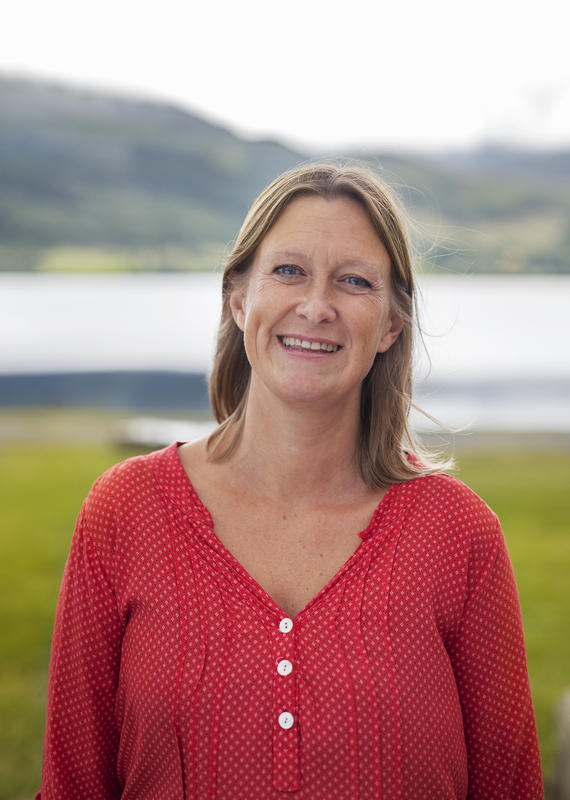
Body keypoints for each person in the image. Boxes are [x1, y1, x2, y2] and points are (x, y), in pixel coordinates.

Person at [37, 163, 544, 799]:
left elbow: (510, 787)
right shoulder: (125, 511)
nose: (316, 306)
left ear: (391, 325)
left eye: (353, 281)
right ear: (238, 298)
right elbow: (74, 783)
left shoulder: (458, 533)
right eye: (288, 270)